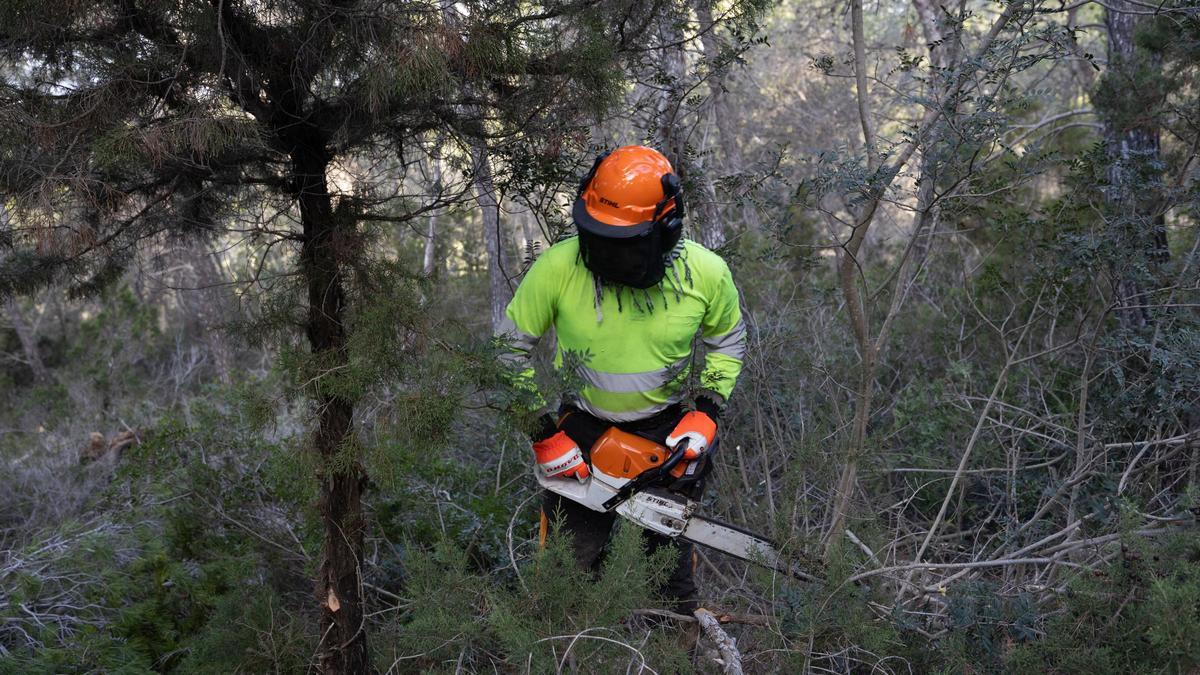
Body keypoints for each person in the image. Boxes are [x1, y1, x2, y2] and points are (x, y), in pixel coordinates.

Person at [497, 145, 746, 612]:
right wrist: (541, 432)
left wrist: (707, 410)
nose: (607, 252)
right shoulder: (558, 266)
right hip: (581, 438)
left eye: (623, 240)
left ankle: (672, 651)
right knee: (563, 583)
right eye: (599, 236)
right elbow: (506, 350)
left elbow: (727, 342)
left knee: (670, 590)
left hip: (665, 437)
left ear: (663, 228)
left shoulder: (707, 275)